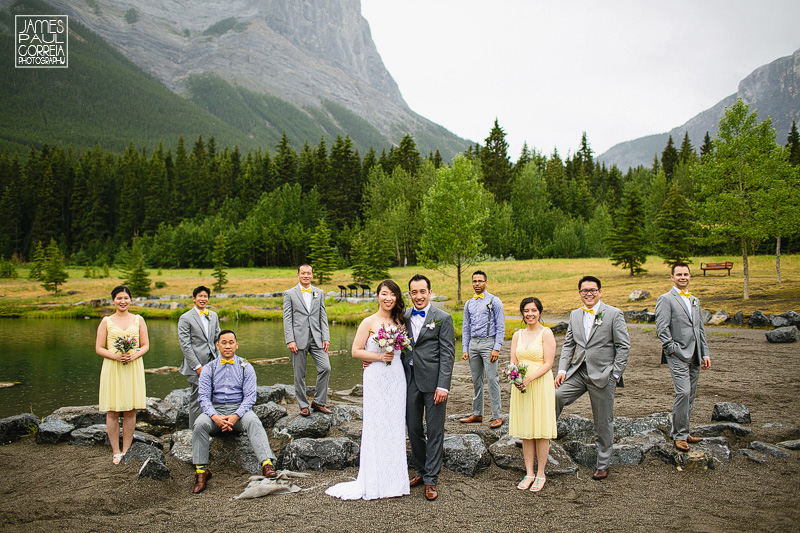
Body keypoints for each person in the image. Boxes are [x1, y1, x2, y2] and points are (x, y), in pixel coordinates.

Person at [326, 280, 410, 500]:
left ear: (396, 297)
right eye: (384, 294)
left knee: (394, 425)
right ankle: (374, 479)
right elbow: (355, 351)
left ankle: (394, 480)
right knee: (375, 425)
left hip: (396, 378)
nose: (388, 298)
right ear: (378, 296)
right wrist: (379, 357)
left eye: (392, 294)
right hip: (375, 377)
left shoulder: (401, 320)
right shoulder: (368, 322)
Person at [554, 276, 630, 480]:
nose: (589, 294)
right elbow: (569, 345)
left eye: (592, 290)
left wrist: (615, 373)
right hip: (579, 371)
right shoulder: (575, 315)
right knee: (556, 395)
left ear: (600, 291)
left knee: (602, 420)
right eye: (584, 290)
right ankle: (541, 435)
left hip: (604, 374)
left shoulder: (614, 314)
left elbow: (623, 346)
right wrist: (562, 370)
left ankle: (603, 463)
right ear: (579, 293)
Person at [191, 330, 278, 493]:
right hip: (215, 410)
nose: (228, 346)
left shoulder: (246, 367)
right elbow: (203, 397)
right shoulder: (208, 369)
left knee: (253, 421)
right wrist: (215, 417)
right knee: (199, 424)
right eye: (224, 343)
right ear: (217, 346)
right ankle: (201, 472)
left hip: (239, 411)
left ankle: (266, 463)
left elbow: (250, 397)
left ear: (236, 345)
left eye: (231, 342)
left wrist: (235, 416)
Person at [402, 274, 455, 501]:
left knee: (435, 431)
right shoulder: (403, 316)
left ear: (430, 292)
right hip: (409, 380)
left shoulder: (443, 318)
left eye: (422, 291)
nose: (418, 296)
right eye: (414, 292)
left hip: (434, 383)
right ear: (410, 294)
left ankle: (431, 479)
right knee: (413, 429)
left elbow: (448, 354)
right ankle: (421, 471)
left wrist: (443, 385)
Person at [655, 262, 711, 452]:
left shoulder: (694, 300)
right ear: (672, 277)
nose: (683, 277)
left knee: (691, 394)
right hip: (677, 353)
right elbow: (662, 328)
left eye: (686, 274)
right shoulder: (665, 299)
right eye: (679, 274)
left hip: (695, 353)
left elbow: (700, 329)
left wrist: (705, 353)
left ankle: (683, 431)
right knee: (683, 392)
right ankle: (679, 436)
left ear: (690, 276)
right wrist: (671, 349)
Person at [95, 285, 149, 464]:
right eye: (119, 298)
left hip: (133, 367)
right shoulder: (106, 321)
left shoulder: (138, 319)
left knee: (130, 409)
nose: (123, 301)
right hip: (113, 367)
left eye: (126, 298)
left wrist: (134, 355)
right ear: (113, 301)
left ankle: (127, 449)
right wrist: (116, 357)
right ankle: (115, 451)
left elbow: (145, 345)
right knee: (112, 410)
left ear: (130, 300)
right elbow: (99, 348)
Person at [509, 297, 557, 492]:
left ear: (539, 312)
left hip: (539, 384)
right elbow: (513, 361)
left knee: (540, 430)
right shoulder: (517, 335)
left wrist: (529, 379)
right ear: (522, 313)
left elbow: (548, 363)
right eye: (526, 311)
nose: (530, 314)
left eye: (534, 310)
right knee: (527, 431)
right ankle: (529, 472)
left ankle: (541, 474)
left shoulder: (547, 333)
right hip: (521, 387)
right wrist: (514, 377)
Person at [283, 264, 331, 416]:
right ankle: (303, 405)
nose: (306, 275)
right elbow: (287, 319)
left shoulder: (319, 292)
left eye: (308, 273)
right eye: (303, 273)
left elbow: (323, 316)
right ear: (298, 275)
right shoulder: (290, 294)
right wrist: (290, 340)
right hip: (298, 339)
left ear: (312, 275)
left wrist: (326, 337)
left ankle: (318, 402)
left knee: (326, 367)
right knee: (299, 374)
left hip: (317, 338)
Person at [459, 270, 506, 428]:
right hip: (474, 344)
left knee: (492, 379)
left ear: (486, 282)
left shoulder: (494, 301)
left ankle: (497, 415)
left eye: (480, 281)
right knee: (476, 380)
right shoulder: (468, 303)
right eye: (474, 281)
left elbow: (500, 326)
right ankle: (477, 413)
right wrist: (465, 348)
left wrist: (496, 348)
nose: (477, 284)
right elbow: (466, 328)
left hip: (489, 343)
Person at [178, 286, 221, 429]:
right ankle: (194, 430)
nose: (203, 299)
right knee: (197, 398)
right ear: (194, 298)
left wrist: (220, 360)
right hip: (196, 364)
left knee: (214, 395)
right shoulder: (186, 318)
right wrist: (197, 367)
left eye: (205, 296)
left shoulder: (213, 315)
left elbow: (217, 339)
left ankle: (211, 427)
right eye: (200, 296)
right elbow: (185, 345)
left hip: (213, 362)